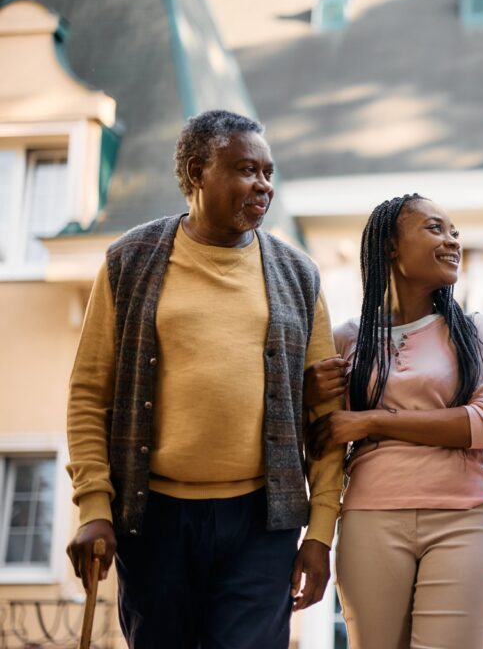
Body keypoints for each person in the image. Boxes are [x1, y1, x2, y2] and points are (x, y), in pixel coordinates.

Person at [64, 110, 344, 648]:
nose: (263, 185)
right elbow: (88, 394)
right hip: (153, 519)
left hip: (263, 520)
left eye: (268, 172)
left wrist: (322, 533)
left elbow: (325, 416)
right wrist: (94, 507)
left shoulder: (298, 274)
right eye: (245, 169)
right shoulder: (129, 261)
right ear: (197, 172)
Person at [306, 193, 483, 649]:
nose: (452, 240)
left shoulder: (474, 330)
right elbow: (320, 440)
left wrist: (372, 423)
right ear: (390, 247)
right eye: (435, 228)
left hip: (462, 521)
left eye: (455, 231)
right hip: (369, 519)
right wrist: (309, 393)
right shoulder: (346, 340)